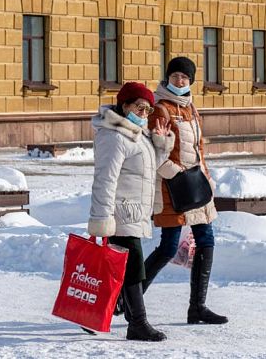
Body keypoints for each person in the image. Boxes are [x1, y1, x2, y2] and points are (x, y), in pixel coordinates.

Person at [144, 57, 228, 325]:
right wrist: (176, 174)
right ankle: (126, 298)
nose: (180, 81)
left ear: (191, 81)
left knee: (206, 240)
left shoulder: (191, 108)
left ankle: (198, 307)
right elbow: (153, 153)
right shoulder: (160, 109)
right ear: (168, 77)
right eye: (176, 76)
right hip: (172, 188)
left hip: (196, 185)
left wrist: (206, 176)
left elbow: (199, 149)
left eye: (185, 77)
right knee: (168, 247)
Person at [88, 82, 174, 341]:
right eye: (139, 107)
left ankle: (96, 312)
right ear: (124, 105)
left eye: (148, 109)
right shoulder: (113, 136)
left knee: (123, 270)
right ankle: (137, 323)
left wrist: (161, 144)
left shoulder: (138, 134)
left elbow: (148, 170)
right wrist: (103, 219)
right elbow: (105, 179)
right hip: (119, 213)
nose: (144, 113)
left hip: (134, 211)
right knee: (135, 267)